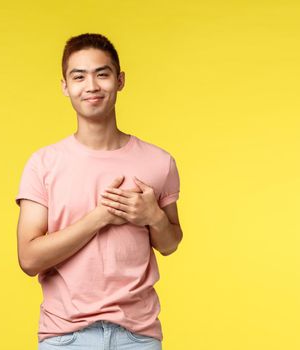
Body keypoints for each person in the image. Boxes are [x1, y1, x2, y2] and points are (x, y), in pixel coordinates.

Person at [15, 33, 183, 350]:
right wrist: (100, 218)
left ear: (119, 81)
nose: (91, 86)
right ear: (65, 86)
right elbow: (29, 258)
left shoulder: (159, 162)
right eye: (79, 76)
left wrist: (153, 218)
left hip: (138, 336)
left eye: (102, 74)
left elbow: (171, 243)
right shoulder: (43, 164)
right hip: (65, 337)